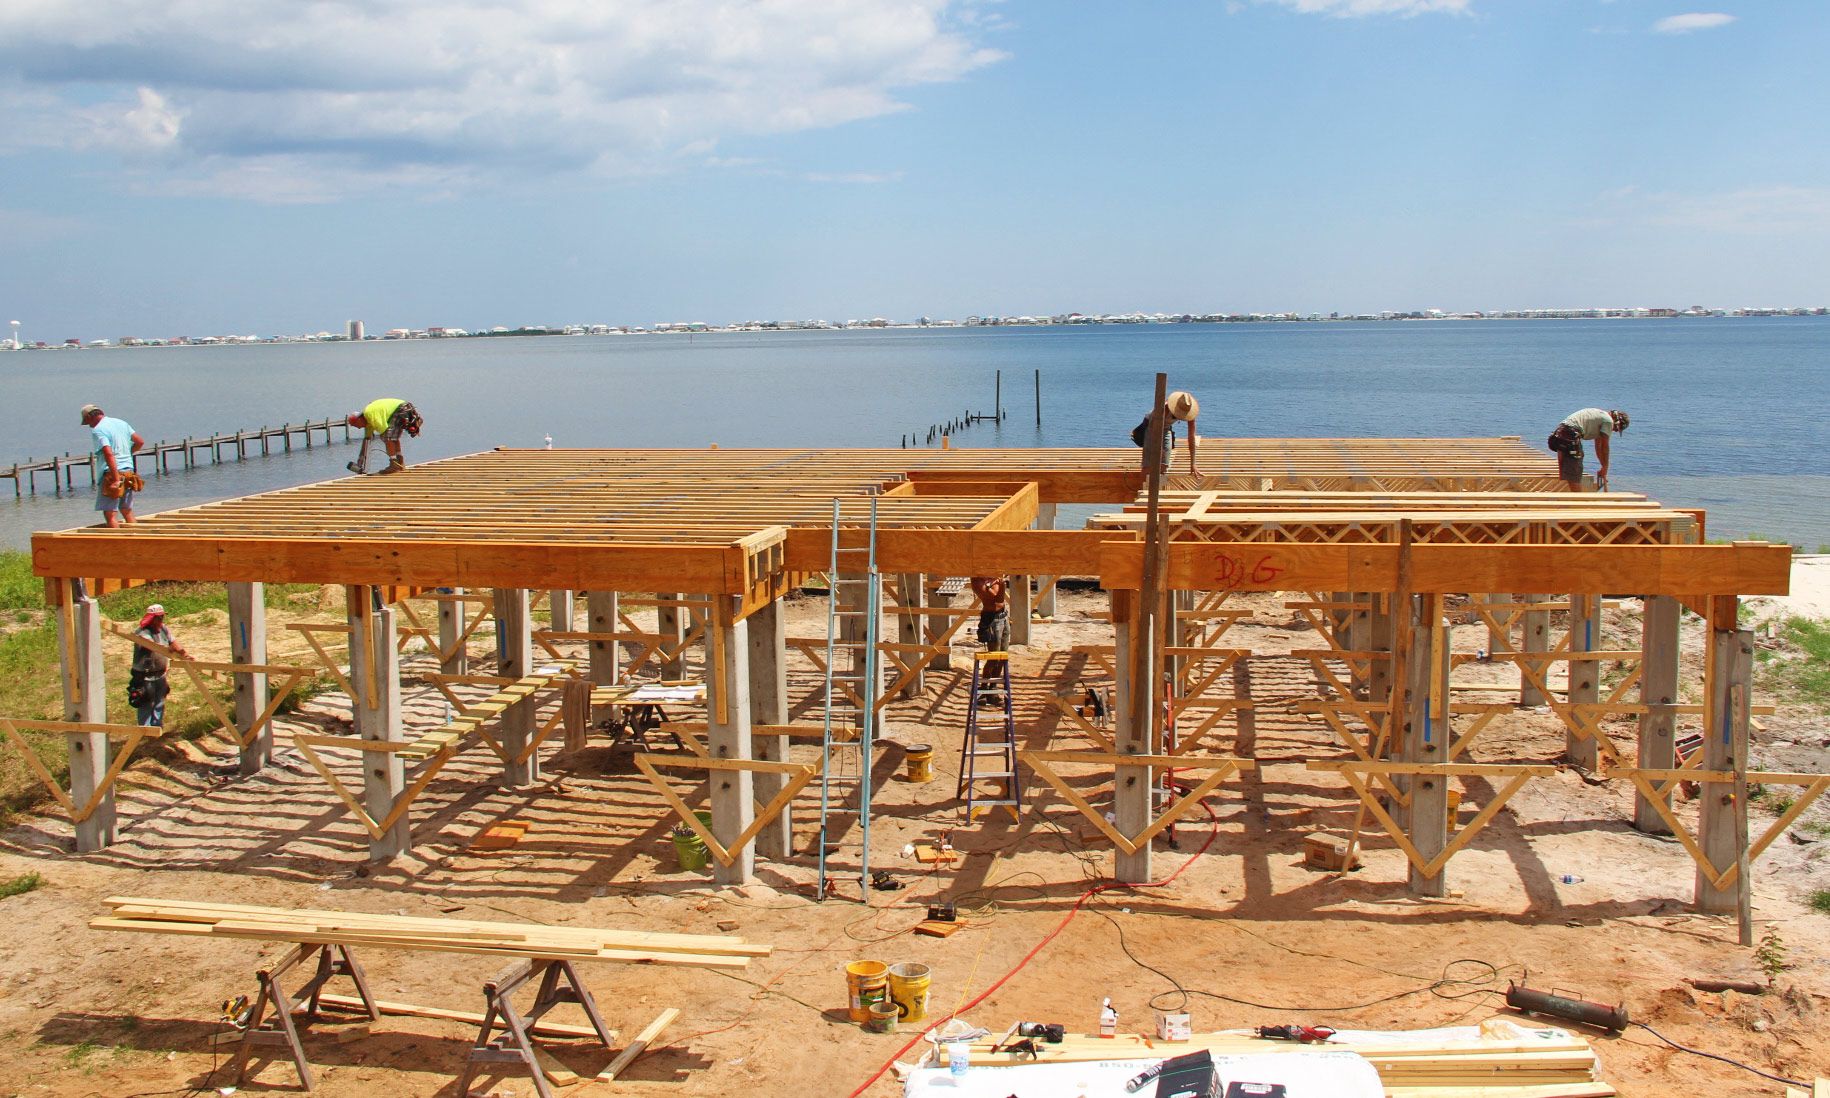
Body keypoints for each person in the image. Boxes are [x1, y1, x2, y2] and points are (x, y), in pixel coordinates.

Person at [80, 404, 146, 527]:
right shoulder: (121, 423)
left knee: (110, 514)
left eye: (87, 422)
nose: (89, 425)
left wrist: (116, 479)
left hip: (112, 474)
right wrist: (127, 453)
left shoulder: (98, 429)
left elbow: (108, 453)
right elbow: (140, 442)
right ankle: (135, 538)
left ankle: (118, 543)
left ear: (90, 416)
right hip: (128, 471)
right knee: (127, 510)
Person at [128, 604, 188, 727]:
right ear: (151, 618)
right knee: (146, 702)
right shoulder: (142, 632)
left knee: (159, 701)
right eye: (158, 617)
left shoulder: (164, 629)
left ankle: (157, 727)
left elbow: (173, 642)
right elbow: (151, 646)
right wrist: (169, 649)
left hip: (160, 674)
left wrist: (184, 653)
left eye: (162, 617)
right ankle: (145, 730)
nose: (161, 620)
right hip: (145, 676)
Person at [1549, 408, 1628, 490]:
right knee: (1575, 473)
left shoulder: (1601, 416)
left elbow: (1598, 447)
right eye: (1615, 429)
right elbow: (1605, 447)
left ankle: (1568, 493)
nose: (1613, 431)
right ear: (1617, 422)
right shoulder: (1608, 421)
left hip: (1560, 433)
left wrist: (1603, 466)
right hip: (1571, 435)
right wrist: (1606, 468)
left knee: (1567, 470)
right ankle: (1578, 500)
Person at [1130, 390, 1201, 474]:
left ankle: (1160, 479)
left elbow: (1191, 437)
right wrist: (1157, 450)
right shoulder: (1163, 409)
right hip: (1151, 425)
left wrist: (1193, 464)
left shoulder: (1189, 411)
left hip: (1166, 427)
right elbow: (1155, 434)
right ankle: (1147, 482)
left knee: (1164, 464)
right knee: (1149, 465)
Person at [345, 398, 422, 475]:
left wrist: (385, 437)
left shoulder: (369, 414)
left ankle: (394, 465)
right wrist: (360, 461)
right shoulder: (368, 424)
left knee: (387, 437)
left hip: (400, 409)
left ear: (359, 420)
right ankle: (400, 463)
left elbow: (384, 429)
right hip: (404, 407)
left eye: (356, 425)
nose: (359, 428)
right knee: (393, 438)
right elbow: (366, 441)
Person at [969, 575, 1010, 700]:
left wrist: (997, 584)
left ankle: (993, 688)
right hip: (992, 620)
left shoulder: (994, 576)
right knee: (993, 658)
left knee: (1002, 656)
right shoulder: (976, 580)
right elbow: (996, 598)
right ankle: (984, 687)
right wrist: (1001, 585)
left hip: (1003, 616)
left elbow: (1000, 599)